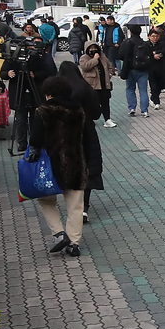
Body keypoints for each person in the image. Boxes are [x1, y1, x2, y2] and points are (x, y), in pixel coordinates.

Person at [28, 76, 88, 257]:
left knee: (46, 200)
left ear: (48, 94)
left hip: (50, 164)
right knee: (76, 205)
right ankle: (74, 243)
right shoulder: (78, 110)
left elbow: (36, 139)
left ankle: (59, 233)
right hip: (76, 162)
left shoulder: (43, 111)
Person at [57, 60, 105, 223]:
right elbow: (97, 113)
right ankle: (84, 207)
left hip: (66, 132)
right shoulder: (86, 88)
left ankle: (74, 203)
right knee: (88, 165)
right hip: (87, 130)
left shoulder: (60, 91)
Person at [0, 25, 57, 153]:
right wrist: (8, 73)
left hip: (35, 91)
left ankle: (35, 143)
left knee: (35, 119)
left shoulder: (38, 57)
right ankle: (21, 143)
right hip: (18, 92)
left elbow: (49, 72)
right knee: (20, 120)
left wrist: (35, 74)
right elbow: (2, 72)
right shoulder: (13, 57)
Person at [79, 41, 118, 128]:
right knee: (92, 104)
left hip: (104, 84)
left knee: (105, 102)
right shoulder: (84, 58)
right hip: (92, 85)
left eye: (95, 47)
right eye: (91, 48)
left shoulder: (103, 56)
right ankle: (89, 119)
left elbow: (110, 66)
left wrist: (110, 74)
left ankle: (107, 119)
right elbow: (85, 67)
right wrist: (94, 59)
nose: (93, 50)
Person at [118, 25, 153, 117]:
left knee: (130, 89)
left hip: (130, 69)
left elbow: (120, 55)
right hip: (143, 69)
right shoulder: (145, 43)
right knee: (143, 90)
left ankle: (132, 108)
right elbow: (151, 56)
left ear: (131, 32)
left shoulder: (126, 42)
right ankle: (144, 110)